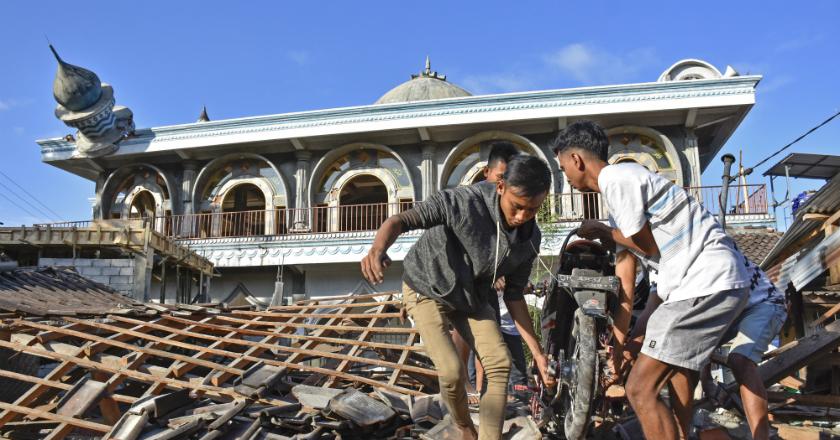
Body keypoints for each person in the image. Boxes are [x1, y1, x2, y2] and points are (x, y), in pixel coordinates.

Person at [552, 120, 751, 440]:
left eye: (563, 169)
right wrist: (620, 346)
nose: (567, 178)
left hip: (706, 279)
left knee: (640, 389)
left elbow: (647, 246)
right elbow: (626, 287)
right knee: (679, 373)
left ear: (576, 160)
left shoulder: (618, 179)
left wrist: (604, 231)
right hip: (703, 283)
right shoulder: (623, 205)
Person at [361, 155, 556, 440]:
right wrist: (377, 250)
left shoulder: (529, 239)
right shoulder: (463, 203)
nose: (521, 217)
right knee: (452, 371)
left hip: (472, 296)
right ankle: (464, 426)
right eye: (517, 207)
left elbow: (514, 297)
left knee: (499, 363)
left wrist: (538, 354)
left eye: (532, 210)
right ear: (500, 186)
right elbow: (400, 220)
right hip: (426, 287)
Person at [461, 142, 530, 398]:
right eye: (500, 177)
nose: (502, 185)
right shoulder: (474, 200)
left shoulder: (511, 209)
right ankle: (469, 389)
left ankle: (486, 397)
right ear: (487, 174)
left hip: (494, 304)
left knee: (497, 358)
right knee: (470, 332)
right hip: (463, 282)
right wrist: (492, 270)